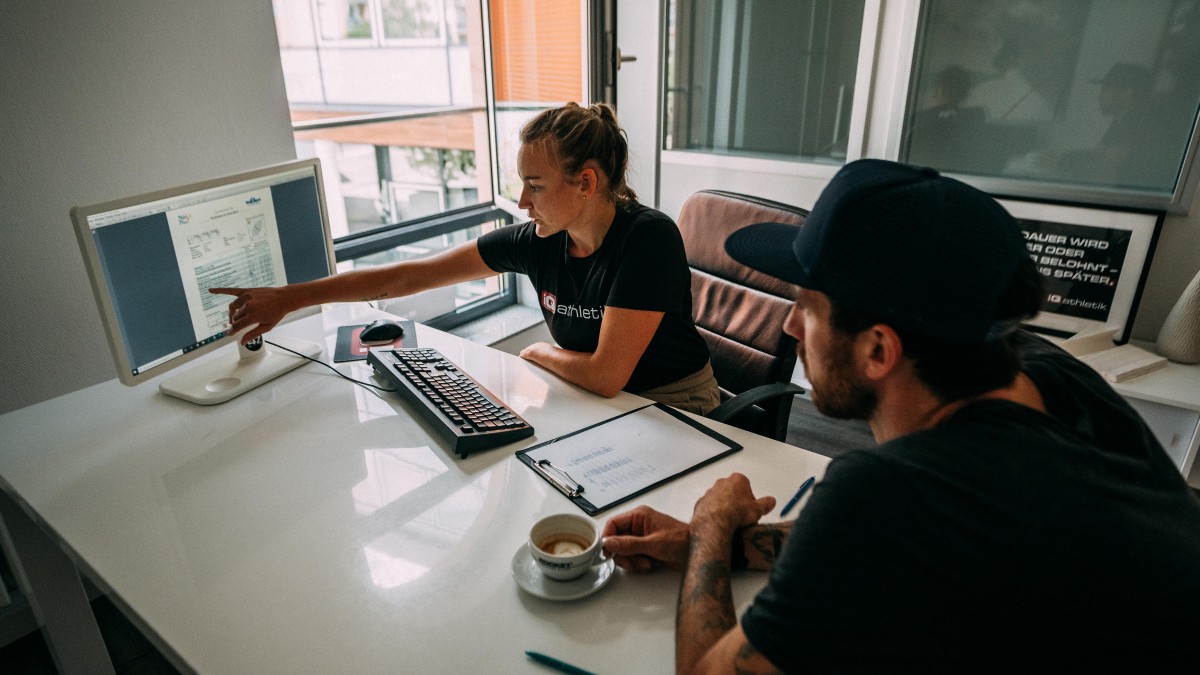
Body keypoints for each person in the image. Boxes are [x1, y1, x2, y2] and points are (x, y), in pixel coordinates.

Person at [602, 159, 1200, 672]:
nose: (787, 327)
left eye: (807, 308)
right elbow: (881, 544)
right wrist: (718, 545)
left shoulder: (887, 490)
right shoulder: (1051, 373)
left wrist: (710, 523)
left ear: (878, 350)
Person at [213, 103, 719, 414]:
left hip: (675, 404)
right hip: (605, 402)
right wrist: (290, 297)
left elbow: (607, 376)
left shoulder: (648, 240)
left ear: (586, 182)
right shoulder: (538, 239)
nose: (522, 202)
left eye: (536, 186)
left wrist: (535, 352)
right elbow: (408, 275)